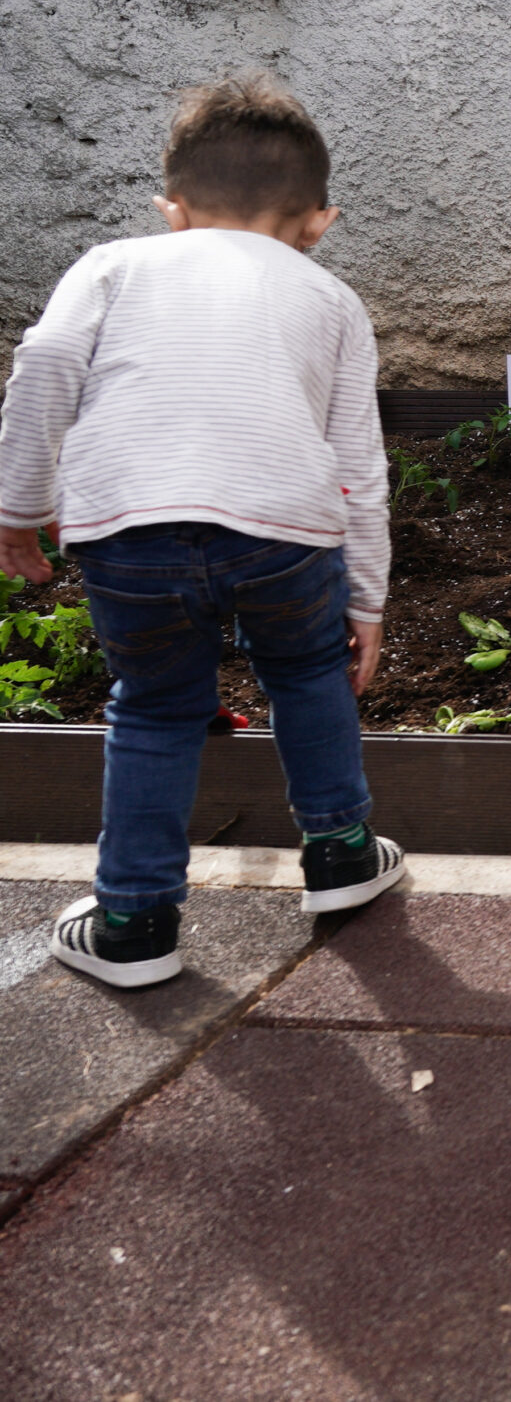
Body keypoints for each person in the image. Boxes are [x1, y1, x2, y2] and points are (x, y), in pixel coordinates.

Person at [0, 74, 405, 989]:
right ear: (319, 221)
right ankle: (340, 855)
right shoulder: (332, 300)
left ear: (172, 209)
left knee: (153, 705)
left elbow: (47, 363)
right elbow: (359, 465)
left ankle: (135, 921)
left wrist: (17, 509)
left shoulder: (113, 264)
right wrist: (368, 594)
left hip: (127, 531)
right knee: (306, 672)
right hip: (285, 530)